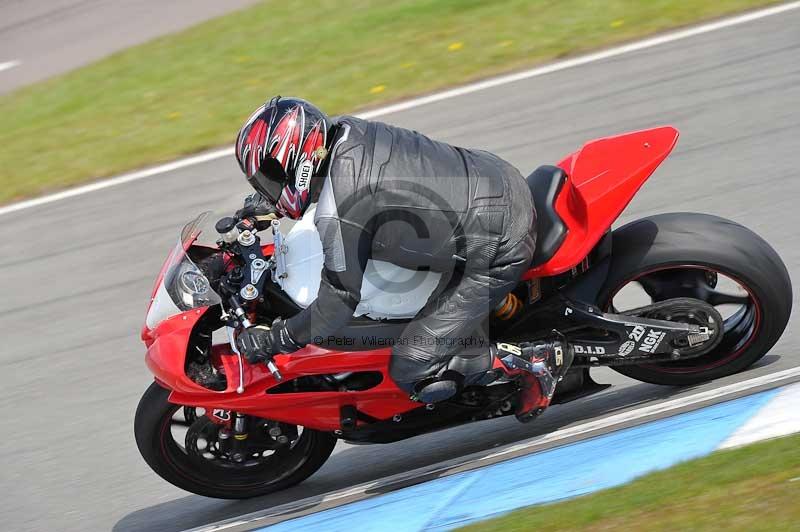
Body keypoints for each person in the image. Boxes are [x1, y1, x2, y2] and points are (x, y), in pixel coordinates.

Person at [233, 96, 573, 422]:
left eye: (270, 177)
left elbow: (336, 306)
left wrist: (277, 339)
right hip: (495, 179)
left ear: (297, 160)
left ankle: (532, 360)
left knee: (412, 365)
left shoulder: (340, 211)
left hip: (499, 246)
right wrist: (270, 202)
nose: (269, 186)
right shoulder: (348, 133)